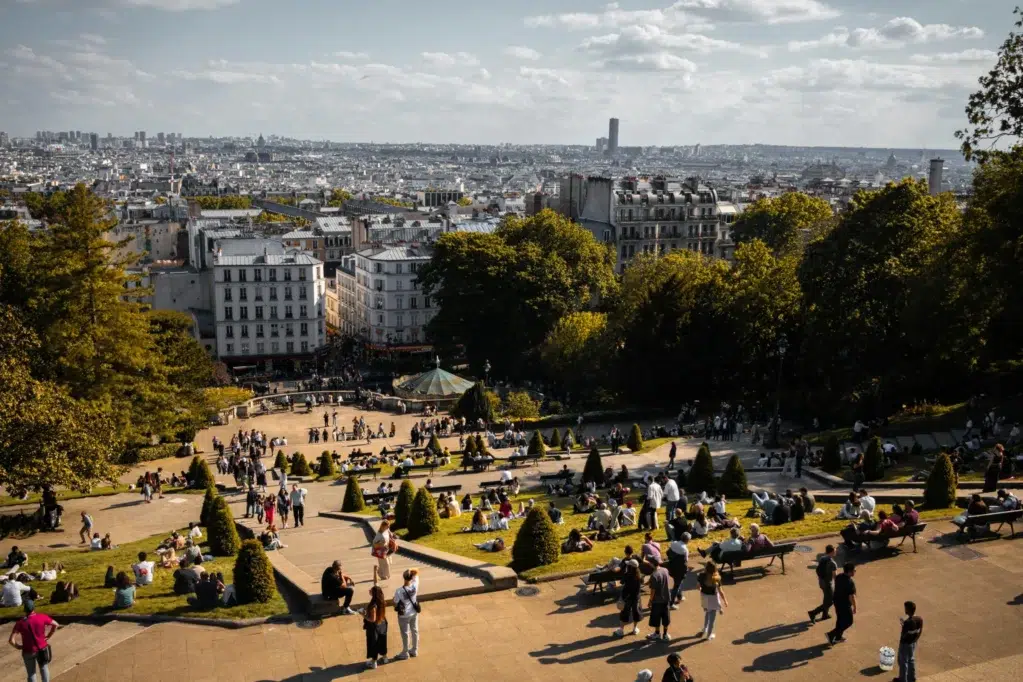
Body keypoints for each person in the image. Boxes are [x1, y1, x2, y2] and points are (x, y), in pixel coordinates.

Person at [9, 600, 58, 682]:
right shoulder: (42, 617)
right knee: (44, 668)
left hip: (28, 651)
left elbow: (11, 640)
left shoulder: (20, 623)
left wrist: (18, 647)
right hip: (42, 648)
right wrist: (48, 636)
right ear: (33, 608)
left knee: (31, 673)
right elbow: (56, 624)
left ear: (25, 610)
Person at [826, 563, 857, 645]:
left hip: (837, 602)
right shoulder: (850, 582)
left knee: (840, 620)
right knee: (849, 621)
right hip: (845, 605)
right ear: (850, 572)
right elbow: (852, 597)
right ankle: (831, 634)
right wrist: (855, 607)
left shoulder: (839, 576)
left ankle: (838, 637)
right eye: (854, 570)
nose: (855, 571)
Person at [393, 569, 420, 660]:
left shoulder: (399, 591)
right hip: (414, 613)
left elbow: (396, 602)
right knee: (415, 631)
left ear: (403, 578)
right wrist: (411, 571)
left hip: (404, 615)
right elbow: (416, 571)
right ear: (411, 577)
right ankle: (414, 650)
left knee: (405, 634)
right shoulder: (415, 585)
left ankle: (405, 652)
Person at [697, 561, 728, 640]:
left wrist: (700, 588)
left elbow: (698, 586)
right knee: (712, 619)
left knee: (707, 614)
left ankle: (705, 628)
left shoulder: (701, 576)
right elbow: (720, 591)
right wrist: (725, 600)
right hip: (713, 600)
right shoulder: (716, 578)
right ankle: (709, 635)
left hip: (704, 597)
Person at [808, 544, 837, 624]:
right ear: (831, 552)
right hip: (828, 584)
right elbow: (835, 576)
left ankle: (825, 615)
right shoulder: (832, 563)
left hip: (821, 582)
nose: (836, 552)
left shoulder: (822, 558)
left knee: (826, 598)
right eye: (835, 551)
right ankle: (813, 613)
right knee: (830, 601)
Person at [614, 560, 643, 637]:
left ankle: (621, 630)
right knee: (636, 613)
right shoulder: (639, 576)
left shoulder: (627, 574)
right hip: (636, 598)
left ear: (630, 567)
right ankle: (635, 629)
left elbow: (621, 582)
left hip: (626, 597)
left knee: (624, 613)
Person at [646, 557, 672, 642]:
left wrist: (650, 601)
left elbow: (653, 591)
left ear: (652, 564)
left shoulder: (654, 575)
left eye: (650, 562)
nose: (649, 564)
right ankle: (665, 634)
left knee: (656, 618)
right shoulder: (665, 570)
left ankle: (657, 634)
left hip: (657, 600)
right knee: (666, 618)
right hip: (666, 598)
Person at [897, 601, 923, 682]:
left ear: (908, 610)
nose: (905, 610)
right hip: (913, 642)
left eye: (905, 608)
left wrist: (903, 624)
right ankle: (912, 678)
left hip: (905, 644)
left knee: (903, 661)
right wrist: (916, 639)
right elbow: (920, 630)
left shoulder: (908, 622)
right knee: (911, 660)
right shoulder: (919, 619)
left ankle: (903, 679)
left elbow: (904, 635)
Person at [363, 585, 388, 669]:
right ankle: (385, 658)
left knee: (373, 643)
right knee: (382, 641)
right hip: (383, 624)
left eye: (371, 590)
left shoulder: (373, 605)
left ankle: (374, 662)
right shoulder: (382, 601)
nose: (369, 590)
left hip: (374, 627)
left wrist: (363, 615)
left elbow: (372, 619)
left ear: (374, 594)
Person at [666, 532, 690, 608]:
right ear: (687, 540)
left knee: (677, 582)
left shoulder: (673, 543)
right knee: (676, 586)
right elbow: (685, 561)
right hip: (679, 570)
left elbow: (668, 552)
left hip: (671, 567)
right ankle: (671, 603)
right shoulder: (685, 549)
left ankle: (680, 597)